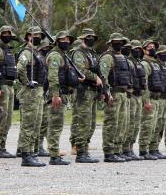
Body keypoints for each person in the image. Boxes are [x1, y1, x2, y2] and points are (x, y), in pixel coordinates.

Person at [15, 26, 47, 167]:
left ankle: (33, 152)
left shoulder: (37, 53)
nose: (38, 37)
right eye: (36, 35)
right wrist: (27, 82)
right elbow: (20, 68)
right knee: (28, 124)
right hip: (30, 92)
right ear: (29, 36)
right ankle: (25, 154)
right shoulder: (26, 52)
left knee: (36, 123)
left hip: (39, 92)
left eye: (40, 35)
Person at [69, 29, 102, 163]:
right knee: (83, 122)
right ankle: (80, 151)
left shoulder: (92, 54)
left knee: (91, 123)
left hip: (92, 91)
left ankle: (85, 148)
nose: (91, 39)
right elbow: (80, 70)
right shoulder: (78, 53)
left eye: (93, 37)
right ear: (83, 38)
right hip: (83, 91)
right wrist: (95, 77)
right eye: (88, 37)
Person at [99, 33, 133, 163]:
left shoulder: (123, 58)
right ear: (111, 43)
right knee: (112, 123)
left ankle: (117, 150)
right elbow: (103, 76)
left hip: (123, 94)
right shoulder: (108, 57)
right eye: (116, 41)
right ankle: (109, 151)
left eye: (121, 42)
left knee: (122, 123)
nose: (119, 44)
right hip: (113, 93)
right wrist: (107, 93)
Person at [45, 31, 75, 165]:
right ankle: (53, 155)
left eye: (68, 39)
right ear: (57, 41)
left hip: (62, 93)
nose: (66, 42)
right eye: (63, 39)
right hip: (56, 95)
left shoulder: (63, 55)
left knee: (58, 125)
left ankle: (54, 153)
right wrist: (55, 95)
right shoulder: (55, 56)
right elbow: (53, 76)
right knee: (55, 125)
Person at [0, 26, 17, 158]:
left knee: (8, 119)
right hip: (1, 87)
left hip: (10, 87)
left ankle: (2, 145)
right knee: (0, 118)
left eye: (8, 33)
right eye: (4, 33)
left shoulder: (9, 51)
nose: (7, 35)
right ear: (0, 35)